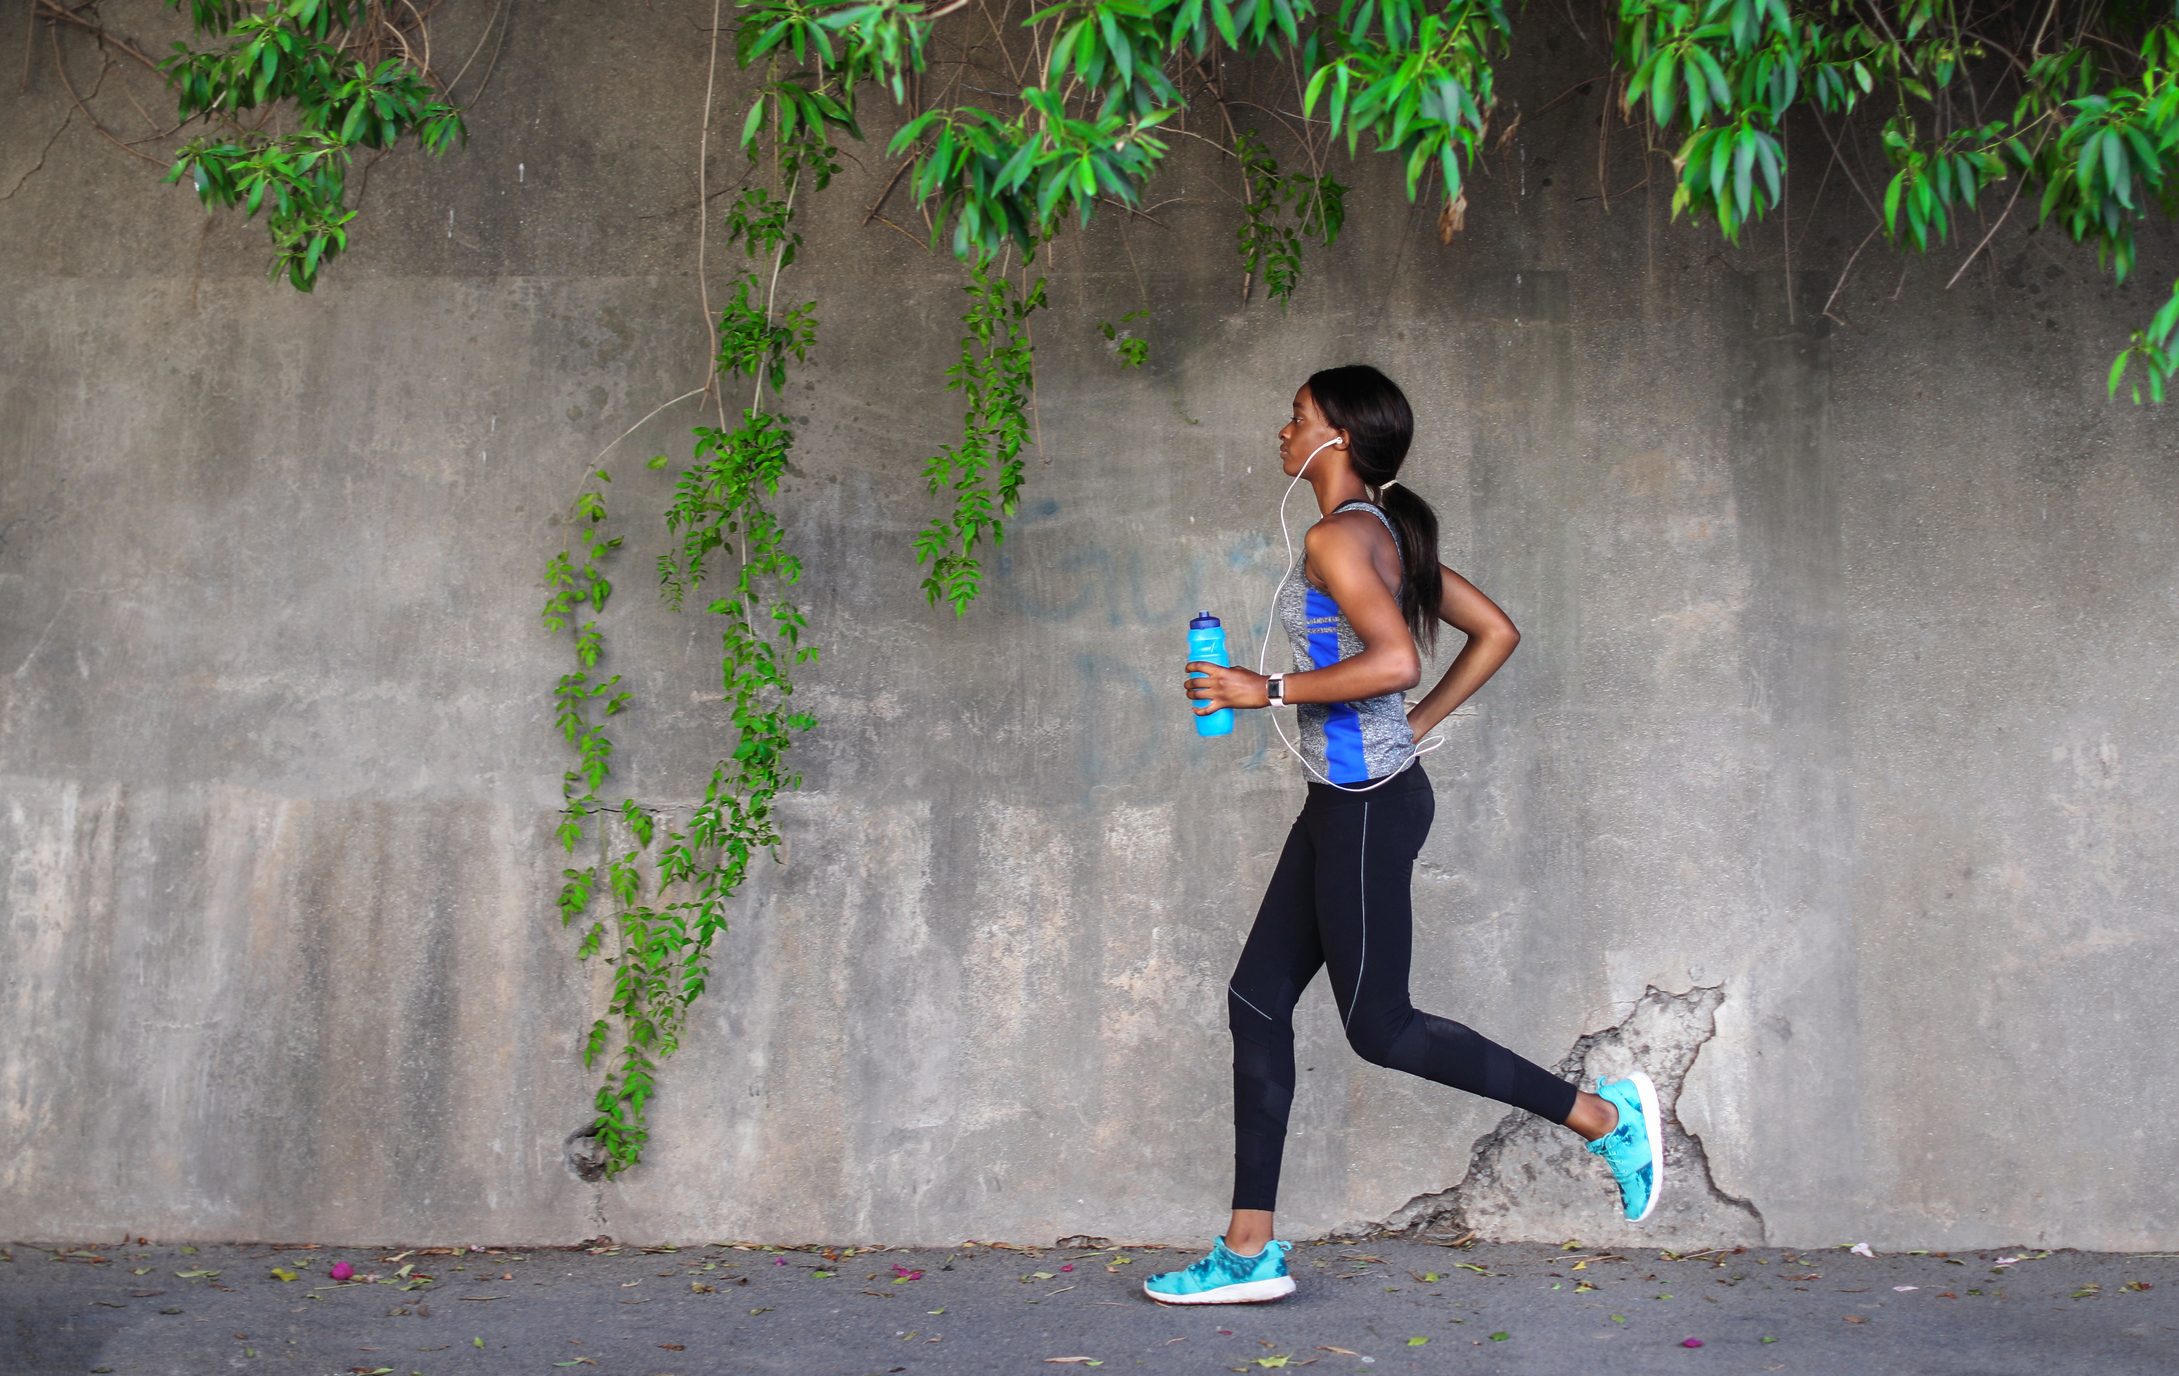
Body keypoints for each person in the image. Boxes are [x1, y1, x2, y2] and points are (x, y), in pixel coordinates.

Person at [1145, 364, 1661, 1307]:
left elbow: (1395, 657)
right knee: (1258, 1000)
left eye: (1296, 417)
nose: (1283, 431)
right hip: (1354, 795)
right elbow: (1495, 632)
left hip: (1368, 803)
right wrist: (1413, 726)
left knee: (1377, 1027)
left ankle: (1603, 1117)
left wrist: (1260, 690)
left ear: (1336, 437)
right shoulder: (1383, 532)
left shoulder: (1337, 538)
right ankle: (1249, 1248)